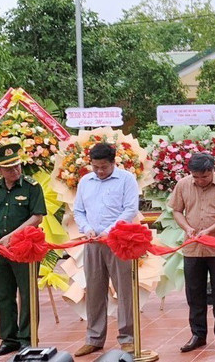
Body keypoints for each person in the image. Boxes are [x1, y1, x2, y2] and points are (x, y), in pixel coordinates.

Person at [168, 152, 215, 353]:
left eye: (204, 177)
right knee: (194, 293)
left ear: (212, 170)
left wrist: (210, 230)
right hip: (192, 248)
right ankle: (198, 334)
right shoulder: (183, 184)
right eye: (196, 177)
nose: (200, 181)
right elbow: (176, 210)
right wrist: (186, 227)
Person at [73, 143, 140, 357]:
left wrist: (109, 231)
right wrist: (87, 229)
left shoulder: (126, 179)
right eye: (95, 167)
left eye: (104, 167)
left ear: (113, 162)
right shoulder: (85, 181)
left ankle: (128, 338)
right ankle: (94, 338)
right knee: (93, 290)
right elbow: (78, 211)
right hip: (92, 242)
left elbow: (130, 209)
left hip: (119, 241)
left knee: (125, 290)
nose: (100, 171)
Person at [0, 144, 46, 358]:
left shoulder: (31, 187)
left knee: (27, 294)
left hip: (24, 247)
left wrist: (12, 236)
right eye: (9, 168)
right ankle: (9, 339)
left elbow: (37, 217)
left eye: (17, 165)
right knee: (3, 294)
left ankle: (27, 338)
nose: (15, 170)